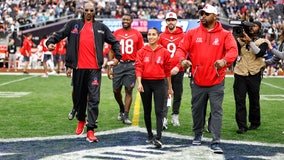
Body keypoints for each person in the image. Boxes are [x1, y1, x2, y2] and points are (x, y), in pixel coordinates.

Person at [45, 1, 121, 143]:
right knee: (79, 98)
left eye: (91, 10)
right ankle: (81, 119)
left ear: (94, 12)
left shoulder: (101, 27)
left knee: (94, 99)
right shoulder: (73, 24)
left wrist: (118, 56)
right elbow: (59, 35)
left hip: (94, 69)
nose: (88, 12)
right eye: (86, 10)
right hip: (78, 68)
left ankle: (91, 129)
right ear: (82, 11)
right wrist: (50, 42)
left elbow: (115, 42)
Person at [175, 4, 238, 153]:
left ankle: (215, 141)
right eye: (202, 13)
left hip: (216, 81)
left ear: (215, 16)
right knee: (197, 110)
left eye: (206, 14)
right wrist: (182, 60)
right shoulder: (192, 33)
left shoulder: (225, 34)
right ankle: (198, 134)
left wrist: (224, 61)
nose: (203, 16)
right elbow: (180, 49)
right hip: (197, 79)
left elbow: (233, 51)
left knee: (217, 111)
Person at [135, 27, 173, 148]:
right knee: (147, 110)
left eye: (153, 34)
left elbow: (167, 71)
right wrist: (139, 83)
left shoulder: (165, 52)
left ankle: (159, 137)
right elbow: (139, 67)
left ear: (158, 36)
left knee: (159, 111)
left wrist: (170, 87)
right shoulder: (141, 51)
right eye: (149, 34)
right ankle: (150, 134)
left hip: (160, 84)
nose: (150, 37)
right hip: (145, 83)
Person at [107, 14, 144, 125]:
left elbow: (141, 52)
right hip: (118, 64)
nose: (125, 21)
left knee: (129, 90)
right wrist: (109, 67)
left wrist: (139, 66)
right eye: (124, 19)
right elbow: (111, 51)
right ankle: (122, 108)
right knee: (116, 90)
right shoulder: (116, 33)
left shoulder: (137, 34)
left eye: (127, 19)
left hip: (131, 65)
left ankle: (126, 115)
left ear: (131, 21)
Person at [233, 21, 268, 135]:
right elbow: (233, 52)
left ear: (260, 28)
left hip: (254, 73)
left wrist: (250, 42)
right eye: (250, 26)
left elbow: (260, 53)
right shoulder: (239, 40)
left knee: (254, 99)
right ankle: (242, 126)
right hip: (240, 73)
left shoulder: (262, 41)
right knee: (240, 100)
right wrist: (237, 38)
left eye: (255, 26)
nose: (252, 28)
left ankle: (254, 122)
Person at [158, 11, 185, 129]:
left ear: (176, 21)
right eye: (168, 20)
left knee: (178, 94)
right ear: (166, 22)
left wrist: (178, 67)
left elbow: (185, 52)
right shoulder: (162, 36)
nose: (170, 22)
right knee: (165, 94)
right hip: (165, 70)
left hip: (178, 70)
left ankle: (175, 115)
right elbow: (158, 52)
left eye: (172, 20)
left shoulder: (183, 36)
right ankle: (164, 117)